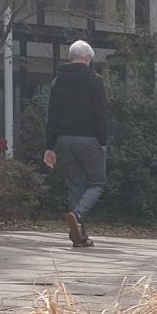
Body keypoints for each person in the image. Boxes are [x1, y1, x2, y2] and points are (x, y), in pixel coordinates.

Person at [42, 39, 107, 247]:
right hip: (89, 139)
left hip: (63, 140)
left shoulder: (57, 82)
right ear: (87, 58)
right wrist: (103, 141)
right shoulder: (94, 80)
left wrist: (49, 146)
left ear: (71, 58)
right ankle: (77, 215)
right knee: (97, 183)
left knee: (75, 186)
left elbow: (52, 117)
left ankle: (79, 235)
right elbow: (100, 114)